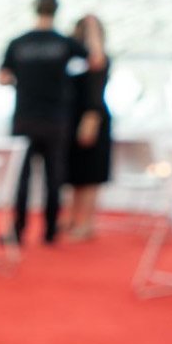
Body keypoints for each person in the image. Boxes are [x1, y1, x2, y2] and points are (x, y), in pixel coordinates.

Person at [0, 0, 104, 246]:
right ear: (56, 11)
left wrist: (23, 82)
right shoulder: (63, 43)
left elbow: (2, 77)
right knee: (53, 177)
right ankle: (49, 232)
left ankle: (18, 231)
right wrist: (91, 28)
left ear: (35, 9)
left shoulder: (18, 42)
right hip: (56, 120)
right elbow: (97, 61)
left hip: (24, 118)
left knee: (21, 178)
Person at [65, 14, 111, 241]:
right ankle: (72, 219)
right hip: (71, 119)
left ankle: (87, 224)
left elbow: (96, 64)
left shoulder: (99, 58)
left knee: (90, 176)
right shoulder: (72, 57)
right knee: (75, 175)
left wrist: (90, 120)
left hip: (92, 118)